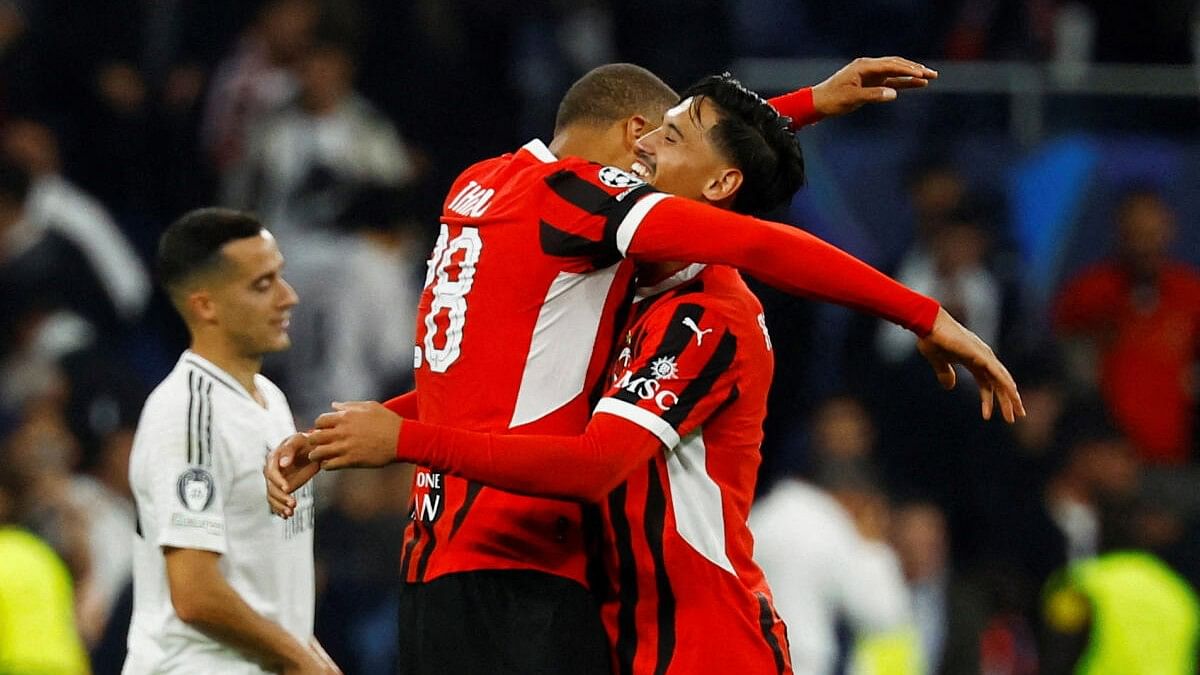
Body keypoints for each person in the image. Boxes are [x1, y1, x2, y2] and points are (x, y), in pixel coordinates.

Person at [270, 60, 1023, 675]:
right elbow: (484, 379)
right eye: (653, 134)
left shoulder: (707, 311)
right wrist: (354, 433)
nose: (650, 150)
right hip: (608, 624)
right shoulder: (615, 278)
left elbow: (600, 457)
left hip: (704, 644)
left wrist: (922, 312)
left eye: (671, 136)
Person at [124, 208, 337, 674]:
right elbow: (195, 594)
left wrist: (312, 656)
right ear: (206, 306)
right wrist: (301, 662)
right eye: (263, 285)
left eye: (280, 276)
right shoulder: (189, 412)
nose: (289, 297)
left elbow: (263, 589)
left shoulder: (271, 401)